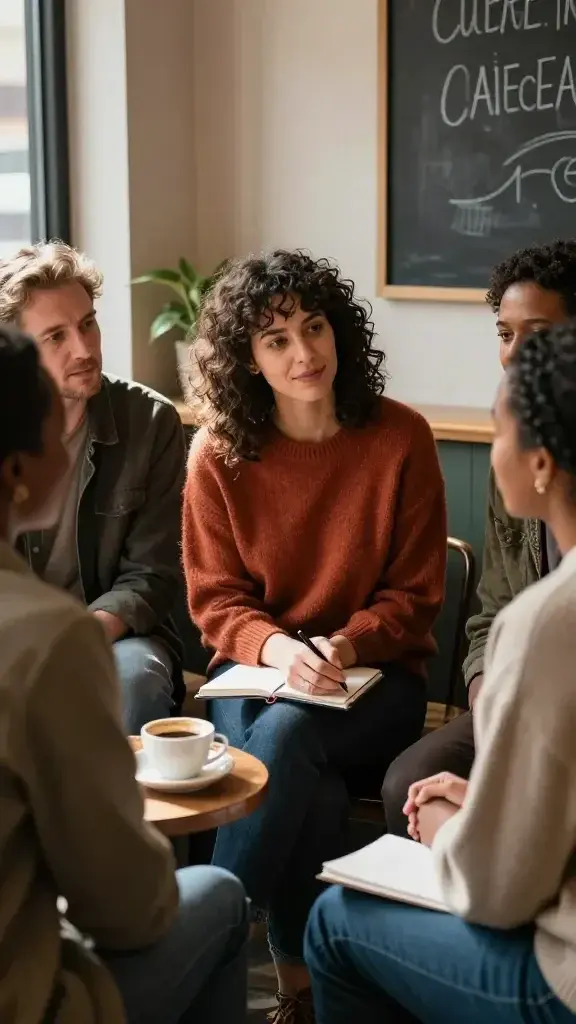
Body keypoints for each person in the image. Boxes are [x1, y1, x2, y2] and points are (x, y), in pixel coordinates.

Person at [183, 249, 447, 1022]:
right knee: (314, 787)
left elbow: (415, 596)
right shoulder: (217, 455)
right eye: (276, 339)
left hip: (379, 681)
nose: (304, 352)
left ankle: (202, 937)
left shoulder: (401, 437)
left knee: (292, 736)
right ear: (249, 361)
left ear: (338, 331)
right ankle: (301, 989)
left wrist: (345, 645)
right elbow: (215, 601)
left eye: (314, 326)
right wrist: (278, 649)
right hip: (253, 678)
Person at [306, 319, 576, 1023]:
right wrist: (485, 803)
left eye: (499, 431)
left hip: (564, 984)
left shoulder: (548, 624)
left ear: (542, 463)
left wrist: (449, 824)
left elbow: (498, 894)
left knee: (334, 921)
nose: (492, 450)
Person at [0, 326, 248, 1024]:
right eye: (52, 425)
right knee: (221, 895)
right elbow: (128, 911)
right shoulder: (46, 640)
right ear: (20, 468)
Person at [381, 238, 576, 835]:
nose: (513, 353)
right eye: (504, 333)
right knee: (409, 785)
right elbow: (490, 613)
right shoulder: (514, 457)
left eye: (536, 334)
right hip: (516, 700)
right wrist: (486, 691)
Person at [0, 241, 186, 733]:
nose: (83, 350)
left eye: (87, 324)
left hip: (119, 637)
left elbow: (152, 574)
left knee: (134, 680)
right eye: (55, 336)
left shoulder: (151, 421)